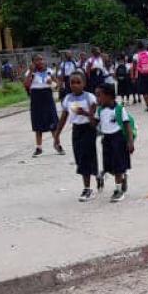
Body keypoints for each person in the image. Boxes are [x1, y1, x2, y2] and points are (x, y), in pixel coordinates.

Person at [53, 71, 99, 202]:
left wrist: (84, 113)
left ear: (84, 83)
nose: (75, 85)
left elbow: (94, 118)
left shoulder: (89, 98)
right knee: (79, 158)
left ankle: (87, 189)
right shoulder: (67, 98)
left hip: (89, 129)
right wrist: (57, 135)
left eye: (78, 82)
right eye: (72, 82)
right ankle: (96, 176)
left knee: (86, 157)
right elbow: (63, 117)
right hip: (76, 130)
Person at [91, 83, 134, 203]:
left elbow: (127, 125)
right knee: (108, 166)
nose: (97, 99)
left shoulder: (119, 109)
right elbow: (94, 124)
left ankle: (118, 189)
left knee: (118, 165)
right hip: (107, 139)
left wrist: (130, 142)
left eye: (99, 96)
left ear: (109, 96)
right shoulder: (99, 110)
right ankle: (123, 177)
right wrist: (88, 113)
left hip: (118, 139)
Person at [24, 54, 63, 158]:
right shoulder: (30, 73)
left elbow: (58, 85)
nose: (40, 61)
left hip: (47, 98)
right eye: (37, 60)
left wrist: (52, 83)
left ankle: (57, 145)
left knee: (53, 124)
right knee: (38, 124)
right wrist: (31, 72)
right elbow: (27, 85)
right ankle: (39, 148)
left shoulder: (49, 71)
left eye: (41, 59)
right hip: (36, 99)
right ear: (33, 62)